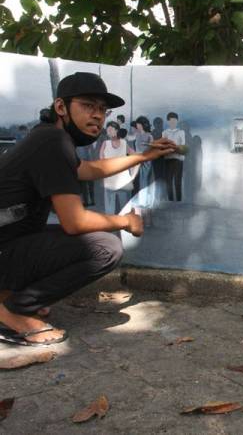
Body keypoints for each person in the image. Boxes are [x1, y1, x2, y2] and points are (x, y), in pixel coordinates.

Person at [0, 72, 175, 346]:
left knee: (68, 238)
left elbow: (89, 169)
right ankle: (14, 311)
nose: (98, 116)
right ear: (61, 107)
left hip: (8, 244)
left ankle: (12, 295)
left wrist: (143, 156)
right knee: (106, 247)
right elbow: (75, 222)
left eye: (103, 110)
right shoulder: (52, 143)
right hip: (5, 249)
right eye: (88, 106)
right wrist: (125, 221)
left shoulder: (49, 138)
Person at [99, 121, 135, 214]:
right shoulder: (105, 143)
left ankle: (125, 222)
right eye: (108, 130)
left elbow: (133, 154)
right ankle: (111, 223)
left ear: (117, 130)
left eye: (111, 130)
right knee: (109, 204)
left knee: (124, 202)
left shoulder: (123, 143)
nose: (109, 132)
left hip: (122, 179)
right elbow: (101, 158)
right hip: (109, 178)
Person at [132, 116, 156, 226]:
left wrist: (143, 157)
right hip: (136, 162)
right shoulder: (136, 135)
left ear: (142, 124)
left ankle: (147, 220)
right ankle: (139, 218)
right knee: (137, 188)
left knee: (144, 187)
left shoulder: (149, 136)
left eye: (138, 124)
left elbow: (152, 149)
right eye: (136, 124)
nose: (137, 125)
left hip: (146, 162)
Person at [161, 112, 185, 202]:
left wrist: (174, 148)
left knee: (178, 182)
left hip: (178, 159)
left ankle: (178, 201)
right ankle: (170, 201)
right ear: (168, 121)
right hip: (168, 159)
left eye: (175, 120)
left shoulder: (181, 132)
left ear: (177, 121)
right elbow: (163, 146)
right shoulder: (164, 133)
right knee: (168, 182)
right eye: (171, 121)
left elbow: (182, 146)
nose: (173, 122)